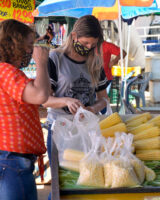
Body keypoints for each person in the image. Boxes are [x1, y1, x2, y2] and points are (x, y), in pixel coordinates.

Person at [43, 15, 110, 165]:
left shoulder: (96, 62)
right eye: (85, 43)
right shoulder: (55, 58)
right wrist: (66, 101)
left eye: (92, 45)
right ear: (74, 36)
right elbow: (45, 100)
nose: (88, 48)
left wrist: (92, 109)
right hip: (60, 129)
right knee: (60, 180)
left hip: (87, 131)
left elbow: (104, 99)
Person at [0, 19, 50, 200]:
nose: (31, 51)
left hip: (13, 159)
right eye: (29, 46)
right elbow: (40, 96)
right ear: (14, 45)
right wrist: (42, 63)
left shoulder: (6, 70)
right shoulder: (5, 71)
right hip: (12, 159)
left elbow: (43, 92)